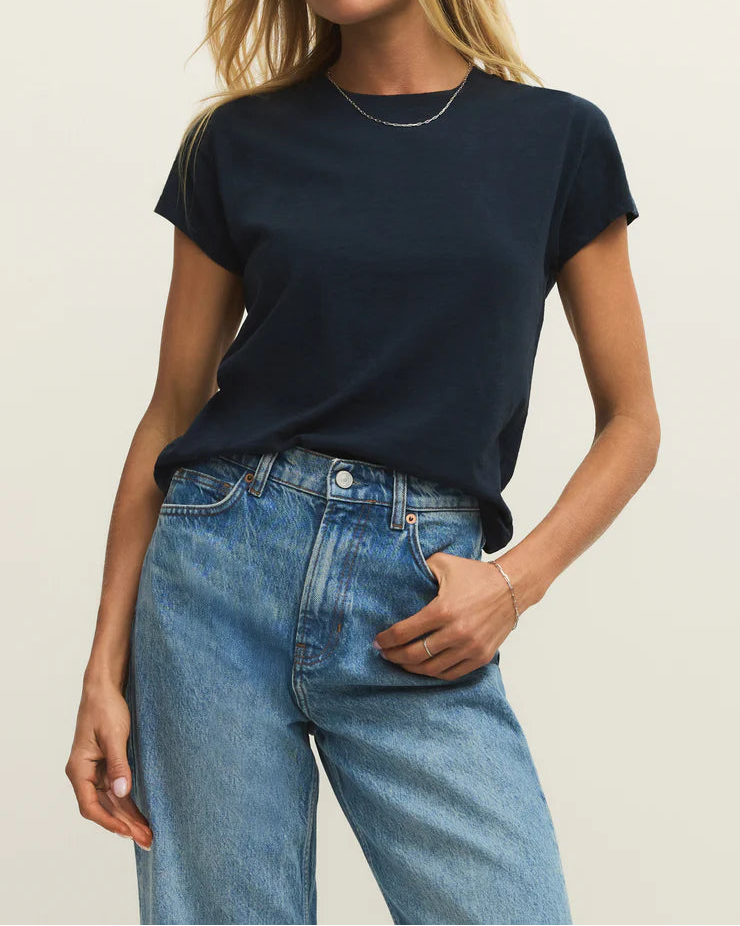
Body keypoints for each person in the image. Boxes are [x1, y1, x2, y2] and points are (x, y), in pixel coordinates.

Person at [65, 1, 660, 924]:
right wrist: (103, 672)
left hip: (417, 599)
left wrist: (514, 584)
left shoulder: (558, 139)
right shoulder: (235, 141)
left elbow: (633, 422)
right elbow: (171, 414)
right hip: (216, 578)